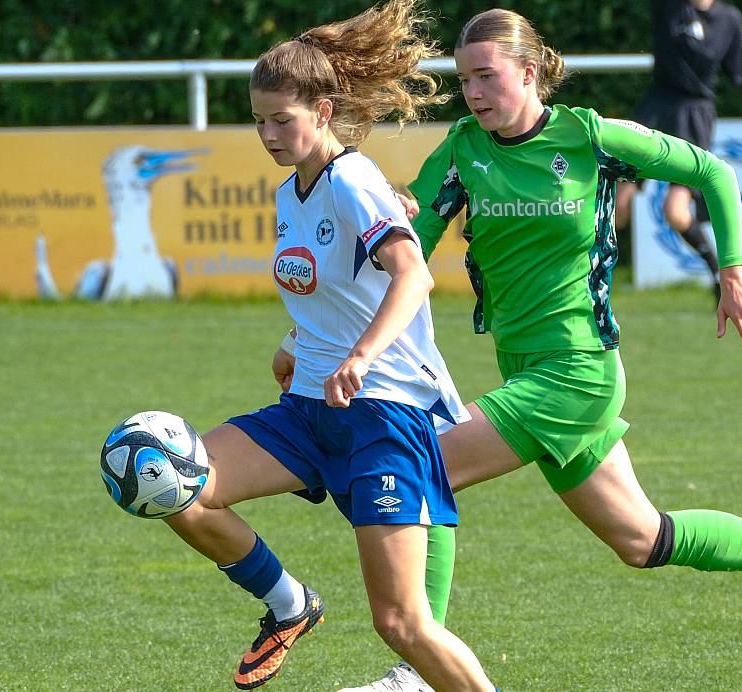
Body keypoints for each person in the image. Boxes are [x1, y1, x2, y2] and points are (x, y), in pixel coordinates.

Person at [326, 8, 742, 691]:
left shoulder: (587, 137)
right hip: (527, 372)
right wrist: (389, 224)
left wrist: (732, 269)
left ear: (528, 74)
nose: (473, 91)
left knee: (423, 468)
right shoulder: (462, 152)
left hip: (578, 374)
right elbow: (411, 255)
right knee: (643, 540)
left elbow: (712, 172)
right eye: (465, 78)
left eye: (487, 76)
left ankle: (416, 672)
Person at [155, 2, 495, 689]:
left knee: (402, 623)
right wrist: (294, 343)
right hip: (309, 409)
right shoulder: (293, 194)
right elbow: (335, 288)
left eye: (282, 118)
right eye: (259, 120)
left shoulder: (353, 180)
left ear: (322, 109)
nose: (269, 133)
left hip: (384, 416)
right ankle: (288, 605)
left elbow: (413, 276)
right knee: (178, 486)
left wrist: (361, 358)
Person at [614, 0, 742, 298]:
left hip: (694, 117)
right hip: (656, 108)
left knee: (675, 212)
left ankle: (716, 269)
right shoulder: (669, 6)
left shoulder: (728, 19)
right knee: (617, 208)